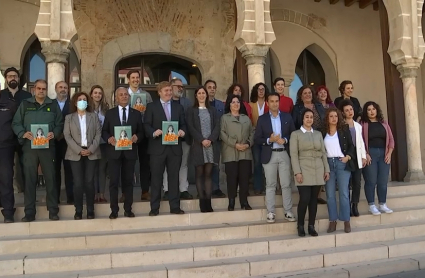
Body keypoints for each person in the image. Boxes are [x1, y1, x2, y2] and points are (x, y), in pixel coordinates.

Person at [12, 79, 63, 222]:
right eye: (39, 88)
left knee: (51, 178)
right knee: (29, 179)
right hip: (29, 147)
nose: (41, 91)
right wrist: (23, 133)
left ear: (46, 90)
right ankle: (29, 212)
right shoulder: (25, 104)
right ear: (34, 89)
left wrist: (54, 133)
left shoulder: (53, 105)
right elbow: (16, 123)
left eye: (44, 89)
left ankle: (53, 210)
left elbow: (60, 123)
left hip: (48, 147)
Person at [144, 81, 187, 216]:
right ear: (159, 92)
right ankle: (154, 208)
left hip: (174, 148)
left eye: (170, 90)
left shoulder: (178, 107)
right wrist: (153, 132)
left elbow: (184, 125)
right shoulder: (151, 107)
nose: (168, 93)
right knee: (156, 178)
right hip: (157, 148)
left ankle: (175, 206)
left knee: (174, 178)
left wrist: (182, 132)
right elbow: (146, 124)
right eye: (166, 91)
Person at [102, 87, 144, 219]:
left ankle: (128, 209)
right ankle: (114, 210)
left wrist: (137, 137)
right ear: (116, 98)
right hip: (114, 153)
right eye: (121, 95)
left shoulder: (136, 113)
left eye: (126, 94)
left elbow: (141, 132)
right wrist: (109, 138)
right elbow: (104, 131)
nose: (124, 96)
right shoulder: (110, 113)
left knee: (128, 182)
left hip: (130, 153)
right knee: (113, 182)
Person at [255, 92, 296, 223]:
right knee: (270, 184)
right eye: (271, 101)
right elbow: (257, 138)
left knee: (286, 184)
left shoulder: (287, 117)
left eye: (276, 101)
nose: (274, 103)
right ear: (267, 103)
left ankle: (288, 211)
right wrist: (269, 139)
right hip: (269, 153)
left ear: (279, 102)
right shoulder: (262, 119)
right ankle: (270, 212)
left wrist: (285, 139)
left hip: (284, 153)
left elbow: (293, 134)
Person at [290, 109, 330, 237]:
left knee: (314, 200)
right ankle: (300, 225)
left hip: (318, 168)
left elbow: (323, 153)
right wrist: (297, 172)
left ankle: (311, 225)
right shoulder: (295, 134)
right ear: (302, 119)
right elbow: (294, 154)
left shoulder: (318, 134)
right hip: (303, 168)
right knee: (305, 198)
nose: (309, 119)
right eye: (306, 117)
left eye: (311, 117)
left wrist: (326, 169)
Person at [63, 92, 101, 220]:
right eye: (80, 99)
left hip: (91, 152)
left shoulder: (93, 117)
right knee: (78, 183)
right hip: (75, 153)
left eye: (85, 99)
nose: (82, 101)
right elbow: (67, 136)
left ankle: (90, 210)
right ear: (75, 102)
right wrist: (79, 150)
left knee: (89, 183)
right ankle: (78, 210)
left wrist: (90, 149)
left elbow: (98, 134)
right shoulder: (69, 118)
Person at [186, 87, 220, 212]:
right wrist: (202, 140)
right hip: (198, 146)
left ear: (206, 95)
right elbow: (190, 127)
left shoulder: (213, 110)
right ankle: (202, 202)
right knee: (199, 173)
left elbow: (217, 126)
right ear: (196, 95)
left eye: (203, 93)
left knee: (208, 174)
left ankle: (208, 202)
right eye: (199, 93)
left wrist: (210, 139)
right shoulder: (191, 110)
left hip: (211, 145)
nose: (201, 95)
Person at [323, 108, 356, 233]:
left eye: (335, 116)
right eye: (331, 116)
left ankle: (346, 220)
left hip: (342, 163)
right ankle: (333, 221)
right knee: (330, 195)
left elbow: (351, 147)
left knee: (343, 193)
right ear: (327, 118)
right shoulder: (322, 132)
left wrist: (348, 157)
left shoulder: (344, 130)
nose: (333, 118)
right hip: (329, 164)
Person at [292, 86, 327, 204]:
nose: (307, 95)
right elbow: (295, 124)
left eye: (309, 93)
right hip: (303, 138)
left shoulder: (318, 106)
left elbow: (325, 120)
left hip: (319, 137)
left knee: (319, 163)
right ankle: (311, 195)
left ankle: (317, 194)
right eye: (304, 93)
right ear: (300, 96)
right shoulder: (297, 108)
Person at [1, 67, 31, 193]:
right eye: (10, 76)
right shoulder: (1, 95)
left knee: (26, 168)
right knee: (5, 171)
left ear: (18, 79)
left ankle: (27, 195)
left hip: (24, 137)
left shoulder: (27, 96)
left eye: (15, 76)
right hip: (5, 139)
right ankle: (4, 199)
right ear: (6, 79)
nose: (12, 78)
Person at [360, 101, 394, 216]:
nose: (371, 111)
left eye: (373, 109)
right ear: (366, 112)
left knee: (383, 181)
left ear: (377, 110)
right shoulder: (363, 124)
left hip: (384, 154)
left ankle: (382, 204)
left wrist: (389, 153)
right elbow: (360, 142)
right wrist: (366, 154)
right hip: (371, 153)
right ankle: (371, 205)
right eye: (369, 109)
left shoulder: (384, 123)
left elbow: (391, 140)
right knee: (371, 180)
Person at [221, 94, 254, 211]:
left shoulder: (246, 118)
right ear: (229, 105)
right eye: (233, 102)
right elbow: (222, 134)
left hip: (245, 152)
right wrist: (234, 144)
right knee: (232, 178)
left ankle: (244, 201)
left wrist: (248, 144)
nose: (236, 104)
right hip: (230, 151)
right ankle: (231, 201)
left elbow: (252, 132)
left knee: (244, 178)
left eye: (238, 102)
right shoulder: (225, 118)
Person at [163, 78, 193, 201]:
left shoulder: (187, 102)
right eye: (178, 86)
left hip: (183, 139)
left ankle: (183, 189)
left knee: (183, 164)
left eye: (182, 86)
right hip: (168, 138)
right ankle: (167, 189)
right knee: (167, 165)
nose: (180, 88)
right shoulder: (164, 102)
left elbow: (190, 121)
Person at [126, 69, 153, 201]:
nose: (136, 80)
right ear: (128, 79)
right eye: (133, 77)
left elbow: (151, 113)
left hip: (143, 133)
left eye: (137, 77)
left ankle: (145, 190)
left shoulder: (146, 95)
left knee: (144, 163)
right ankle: (126, 192)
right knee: (127, 163)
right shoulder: (122, 94)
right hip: (126, 133)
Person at [339, 99, 367, 217]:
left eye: (351, 109)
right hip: (346, 155)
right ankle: (347, 207)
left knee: (357, 182)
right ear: (343, 112)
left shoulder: (358, 126)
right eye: (347, 110)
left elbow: (361, 142)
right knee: (346, 183)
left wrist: (364, 156)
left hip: (357, 155)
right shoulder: (341, 126)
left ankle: (354, 205)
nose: (350, 112)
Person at [204, 79, 226, 198]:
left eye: (214, 87)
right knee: (204, 165)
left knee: (215, 165)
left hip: (216, 139)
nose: (212, 89)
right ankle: (203, 189)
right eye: (209, 87)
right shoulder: (201, 103)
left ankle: (216, 188)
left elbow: (222, 121)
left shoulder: (220, 104)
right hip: (203, 139)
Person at [0, 89, 18, 223]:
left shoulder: (9, 104)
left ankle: (8, 212)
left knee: (6, 179)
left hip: (5, 148)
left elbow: (16, 125)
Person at [54, 81, 74, 204]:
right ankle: (55, 198)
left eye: (65, 88)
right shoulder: (50, 103)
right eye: (60, 87)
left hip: (69, 143)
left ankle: (70, 197)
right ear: (56, 89)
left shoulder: (72, 105)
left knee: (69, 171)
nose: (63, 89)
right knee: (54, 171)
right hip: (53, 142)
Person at [90, 85, 109, 203]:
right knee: (92, 169)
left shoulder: (106, 109)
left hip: (103, 143)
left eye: (100, 93)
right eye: (95, 93)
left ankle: (101, 194)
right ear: (91, 94)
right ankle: (93, 194)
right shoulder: (87, 108)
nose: (97, 95)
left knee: (102, 169)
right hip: (91, 143)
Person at [250, 83, 270, 195]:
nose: (261, 91)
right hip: (256, 137)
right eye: (259, 89)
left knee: (268, 163)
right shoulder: (251, 105)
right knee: (257, 163)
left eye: (263, 89)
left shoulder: (269, 104)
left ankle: (269, 186)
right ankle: (258, 187)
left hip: (268, 137)